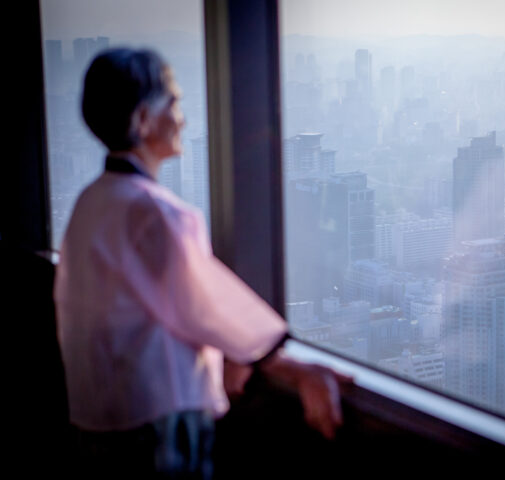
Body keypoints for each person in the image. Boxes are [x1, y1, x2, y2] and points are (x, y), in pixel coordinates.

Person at [54, 47, 349, 479]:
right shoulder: (151, 212)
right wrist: (291, 367)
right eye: (172, 103)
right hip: (155, 426)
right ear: (141, 120)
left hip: (97, 420)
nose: (183, 118)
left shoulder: (90, 202)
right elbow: (202, 302)